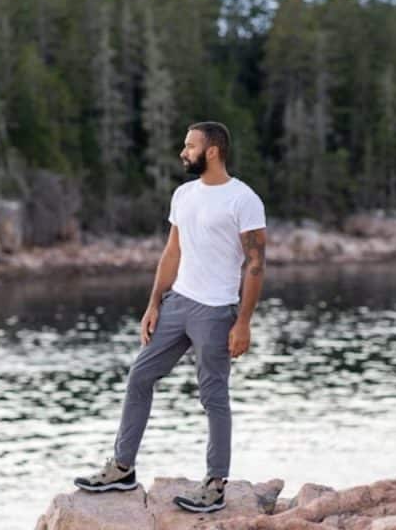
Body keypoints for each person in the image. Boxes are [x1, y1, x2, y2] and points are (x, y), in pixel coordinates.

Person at [73, 121, 267, 513]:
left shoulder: (243, 199)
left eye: (190, 146)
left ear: (212, 151)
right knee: (140, 375)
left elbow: (256, 264)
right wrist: (154, 302)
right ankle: (123, 468)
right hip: (178, 303)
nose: (183, 152)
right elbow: (172, 252)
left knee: (213, 396)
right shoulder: (183, 194)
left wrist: (243, 321)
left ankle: (214, 485)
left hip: (216, 312)